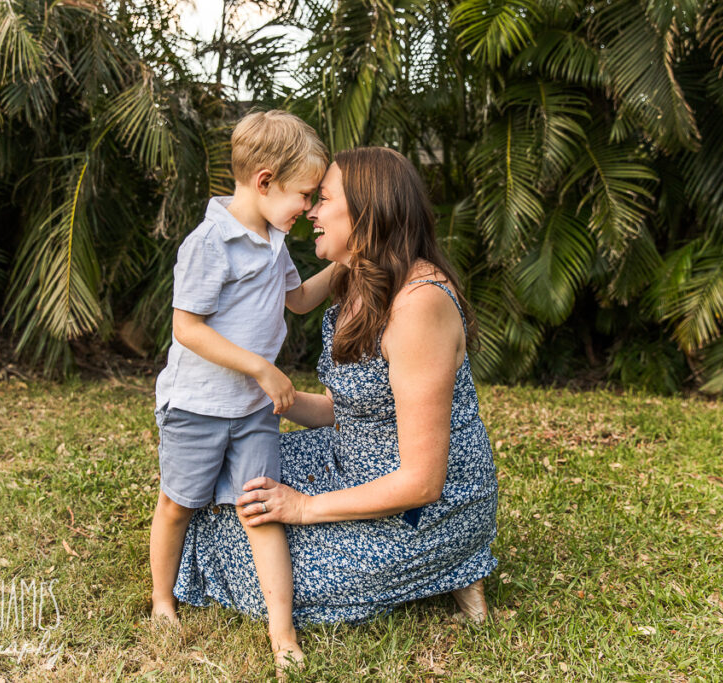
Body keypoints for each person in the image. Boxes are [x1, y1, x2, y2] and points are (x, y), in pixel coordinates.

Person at [171, 146, 499, 634]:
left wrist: (302, 508)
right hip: (349, 460)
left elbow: (422, 482)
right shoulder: (361, 278)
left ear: (368, 212)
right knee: (226, 489)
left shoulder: (420, 306)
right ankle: (440, 572)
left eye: (322, 199)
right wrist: (264, 392)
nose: (310, 212)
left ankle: (451, 561)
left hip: (422, 510)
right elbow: (354, 410)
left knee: (254, 558)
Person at [149, 110, 333, 670]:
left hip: (253, 412)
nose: (309, 207)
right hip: (197, 408)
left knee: (260, 511)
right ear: (265, 182)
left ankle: (283, 633)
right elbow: (187, 328)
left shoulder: (275, 241)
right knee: (178, 504)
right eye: (306, 193)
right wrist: (260, 368)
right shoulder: (210, 243)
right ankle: (162, 600)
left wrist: (349, 263)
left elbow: (298, 301)